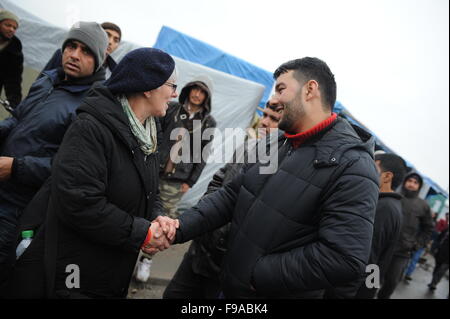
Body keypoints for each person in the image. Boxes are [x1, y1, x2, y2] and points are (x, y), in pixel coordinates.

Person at [157, 57, 380, 298]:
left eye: (281, 89)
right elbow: (232, 195)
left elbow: (344, 258)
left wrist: (257, 275)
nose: (274, 100)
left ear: (310, 89)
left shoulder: (353, 165)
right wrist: (179, 227)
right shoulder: (274, 144)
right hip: (229, 286)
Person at [6, 47, 179, 299]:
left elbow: (149, 189)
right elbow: (80, 203)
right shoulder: (91, 128)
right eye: (171, 85)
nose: (175, 94)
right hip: (73, 272)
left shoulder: (149, 134)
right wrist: (142, 232)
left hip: (110, 269)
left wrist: (158, 216)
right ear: (148, 86)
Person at [0, 21, 108, 288]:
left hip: (20, 210)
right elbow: (20, 119)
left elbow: (71, 169)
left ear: (99, 60)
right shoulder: (48, 80)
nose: (74, 54)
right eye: (71, 46)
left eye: (85, 51)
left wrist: (16, 167)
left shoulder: (91, 107)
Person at [163, 99, 283, 299]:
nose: (264, 122)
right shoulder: (248, 147)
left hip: (227, 268)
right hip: (199, 252)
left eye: (274, 119)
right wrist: (203, 223)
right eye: (265, 116)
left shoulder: (284, 168)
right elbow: (219, 180)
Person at [158, 76, 217, 219]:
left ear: (207, 97)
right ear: (189, 90)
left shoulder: (208, 123)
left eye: (202, 92)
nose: (197, 94)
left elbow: (203, 155)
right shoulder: (171, 108)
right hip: (154, 169)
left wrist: (190, 182)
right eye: (195, 89)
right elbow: (155, 136)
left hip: (178, 179)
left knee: (165, 216)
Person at [377, 172, 434, 299]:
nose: (412, 184)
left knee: (391, 282)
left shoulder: (423, 206)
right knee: (372, 280)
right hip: (381, 249)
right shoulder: (393, 196)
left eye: (415, 182)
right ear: (404, 182)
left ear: (419, 186)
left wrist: (417, 244)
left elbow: (428, 229)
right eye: (410, 181)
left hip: (402, 253)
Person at [40, 22, 121, 79]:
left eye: (116, 40)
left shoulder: (115, 72)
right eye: (107, 35)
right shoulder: (62, 54)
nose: (110, 42)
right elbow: (42, 79)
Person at [0, 9, 23, 108]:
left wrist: (14, 102)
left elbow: (14, 80)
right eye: (8, 25)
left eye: (14, 27)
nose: (11, 29)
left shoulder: (15, 53)